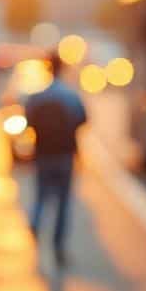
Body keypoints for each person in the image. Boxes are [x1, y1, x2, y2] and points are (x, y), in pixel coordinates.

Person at [23, 52, 88, 267]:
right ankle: (58, 247)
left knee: (41, 196)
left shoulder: (38, 96)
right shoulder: (70, 95)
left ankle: (35, 220)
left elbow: (28, 120)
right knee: (63, 202)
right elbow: (82, 119)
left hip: (43, 154)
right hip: (65, 155)